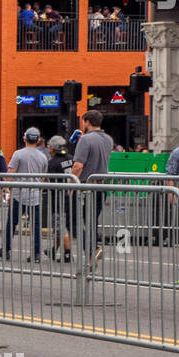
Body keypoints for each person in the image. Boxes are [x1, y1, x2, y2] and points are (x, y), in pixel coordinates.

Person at [71, 109, 113, 269]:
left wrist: (71, 183)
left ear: (87, 122)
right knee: (92, 218)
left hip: (86, 184)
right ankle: (93, 249)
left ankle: (91, 250)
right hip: (102, 184)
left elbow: (78, 165)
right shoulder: (108, 139)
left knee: (77, 220)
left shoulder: (85, 140)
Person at [3, 127, 48, 261]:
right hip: (35, 194)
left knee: (12, 222)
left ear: (24, 138)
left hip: (19, 192)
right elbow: (44, 177)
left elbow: (10, 173)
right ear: (38, 140)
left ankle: (6, 249)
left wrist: (7, 188)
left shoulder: (18, 154)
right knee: (36, 225)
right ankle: (36, 253)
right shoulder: (43, 156)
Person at [45, 134, 75, 261]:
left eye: (50, 147)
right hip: (70, 196)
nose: (48, 149)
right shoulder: (71, 159)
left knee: (60, 226)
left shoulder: (53, 163)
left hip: (58, 198)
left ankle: (68, 253)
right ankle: (53, 249)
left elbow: (50, 182)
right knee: (60, 225)